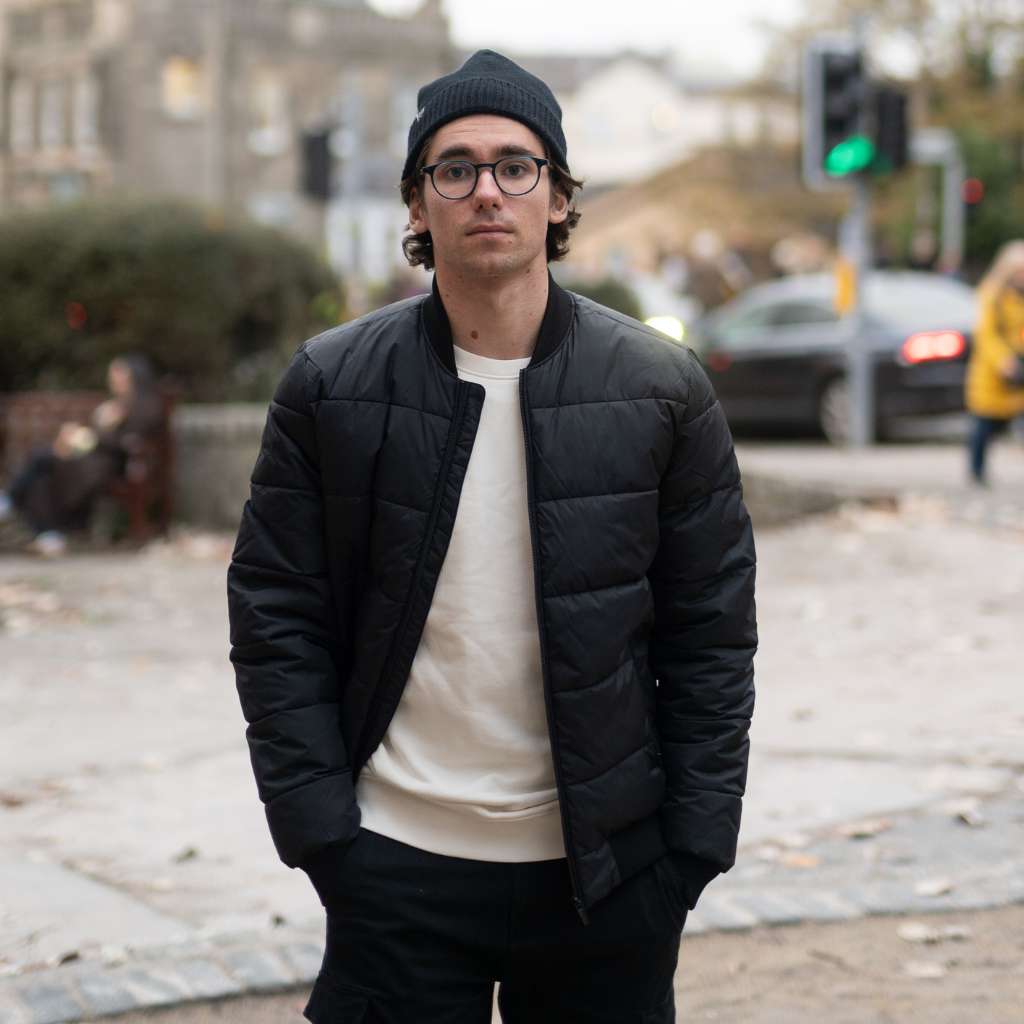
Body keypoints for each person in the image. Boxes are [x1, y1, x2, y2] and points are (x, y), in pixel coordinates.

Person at [227, 50, 757, 1024]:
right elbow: (276, 613)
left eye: (517, 165)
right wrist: (321, 835)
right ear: (418, 203)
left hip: (607, 874)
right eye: (454, 167)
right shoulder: (331, 385)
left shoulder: (661, 390)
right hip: (393, 865)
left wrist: (689, 849)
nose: (487, 190)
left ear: (557, 198)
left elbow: (710, 632)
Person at [0, 354, 165, 554]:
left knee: (42, 459)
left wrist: (102, 430)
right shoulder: (116, 405)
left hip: (110, 466)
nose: (114, 380)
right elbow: (98, 438)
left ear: (135, 376)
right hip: (90, 461)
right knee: (42, 472)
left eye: (119, 374)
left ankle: (11, 502)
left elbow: (127, 442)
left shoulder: (145, 406)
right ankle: (48, 534)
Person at [966, 240, 1024, 485]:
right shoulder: (992, 295)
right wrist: (1004, 361)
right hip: (993, 373)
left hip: (1019, 368)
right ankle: (977, 471)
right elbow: (986, 335)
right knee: (984, 426)